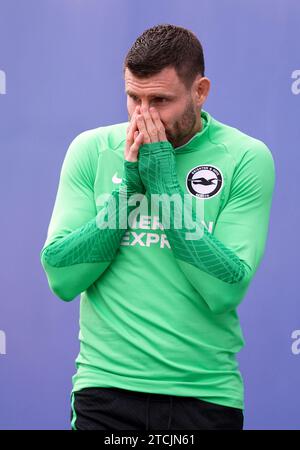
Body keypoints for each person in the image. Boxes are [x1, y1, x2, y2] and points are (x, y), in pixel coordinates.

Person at [40, 24, 275, 430]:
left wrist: (164, 186)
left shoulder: (246, 157)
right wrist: (130, 188)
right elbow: (61, 276)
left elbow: (225, 289)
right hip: (105, 392)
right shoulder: (92, 150)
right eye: (134, 97)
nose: (144, 115)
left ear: (199, 91)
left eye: (161, 100)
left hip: (205, 396)